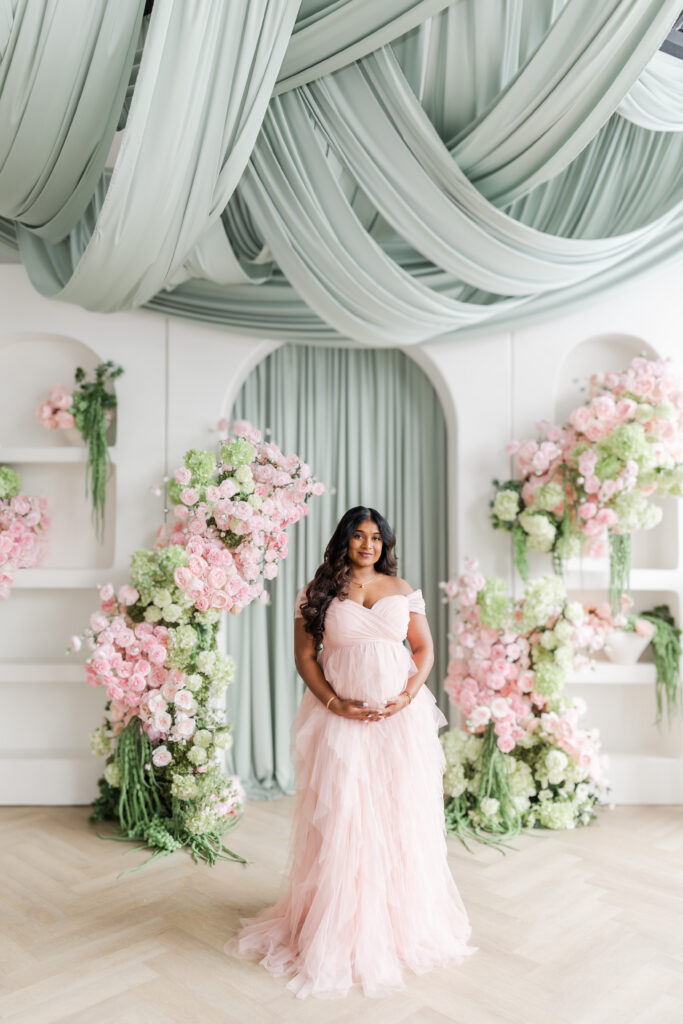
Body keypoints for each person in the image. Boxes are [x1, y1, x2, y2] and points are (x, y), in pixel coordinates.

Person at [224, 506, 477, 998]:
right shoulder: (319, 592)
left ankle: (397, 924)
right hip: (339, 723)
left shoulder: (402, 590)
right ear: (344, 540)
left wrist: (405, 697)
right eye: (359, 536)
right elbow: (304, 656)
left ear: (385, 544)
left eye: (376, 538)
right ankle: (340, 926)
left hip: (397, 723)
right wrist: (336, 703)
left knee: (396, 815)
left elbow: (423, 650)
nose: (368, 545)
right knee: (343, 817)